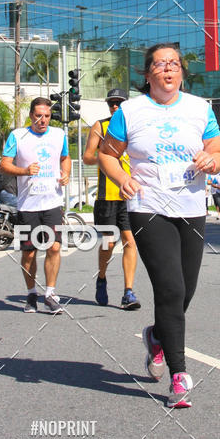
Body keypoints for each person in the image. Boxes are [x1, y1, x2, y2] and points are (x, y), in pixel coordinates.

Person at [98, 43, 220, 408]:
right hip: (148, 205)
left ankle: (157, 336)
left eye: (174, 64)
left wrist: (212, 161)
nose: (168, 70)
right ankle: (179, 374)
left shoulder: (200, 109)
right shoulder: (130, 111)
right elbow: (107, 154)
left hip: (190, 204)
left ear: (182, 71)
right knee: (169, 288)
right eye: (160, 64)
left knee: (186, 290)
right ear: (148, 73)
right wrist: (122, 177)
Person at [0, 97, 71, 313]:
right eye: (39, 115)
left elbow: (65, 157)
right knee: (29, 253)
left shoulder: (59, 135)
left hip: (52, 201)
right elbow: (4, 164)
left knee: (54, 246)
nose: (43, 120)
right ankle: (31, 293)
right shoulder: (18, 136)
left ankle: (50, 294)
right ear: (31, 115)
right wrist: (24, 171)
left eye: (47, 116)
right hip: (28, 204)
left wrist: (66, 173)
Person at [83, 87, 140, 310]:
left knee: (130, 241)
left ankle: (128, 292)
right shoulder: (101, 125)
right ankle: (102, 278)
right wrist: (107, 156)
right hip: (107, 195)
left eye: (119, 103)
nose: (115, 106)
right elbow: (87, 157)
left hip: (130, 195)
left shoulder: (134, 125)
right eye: (111, 103)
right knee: (108, 241)